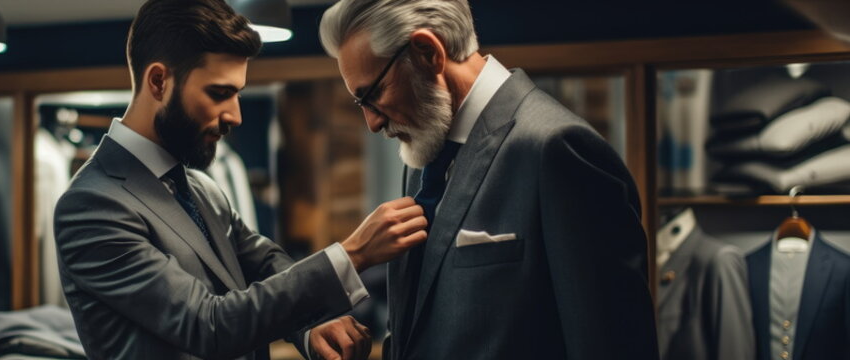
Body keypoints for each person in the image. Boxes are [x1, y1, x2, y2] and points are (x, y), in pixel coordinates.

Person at [53, 0, 429, 359]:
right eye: (220, 93)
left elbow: (266, 265)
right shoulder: (92, 206)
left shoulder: (201, 189)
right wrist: (353, 254)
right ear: (158, 81)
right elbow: (208, 325)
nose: (235, 116)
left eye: (237, 94)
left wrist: (310, 326)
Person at [319, 1, 659, 359]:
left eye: (373, 94)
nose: (373, 123)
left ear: (427, 53)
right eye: (360, 103)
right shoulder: (423, 153)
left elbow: (613, 345)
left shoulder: (557, 148)